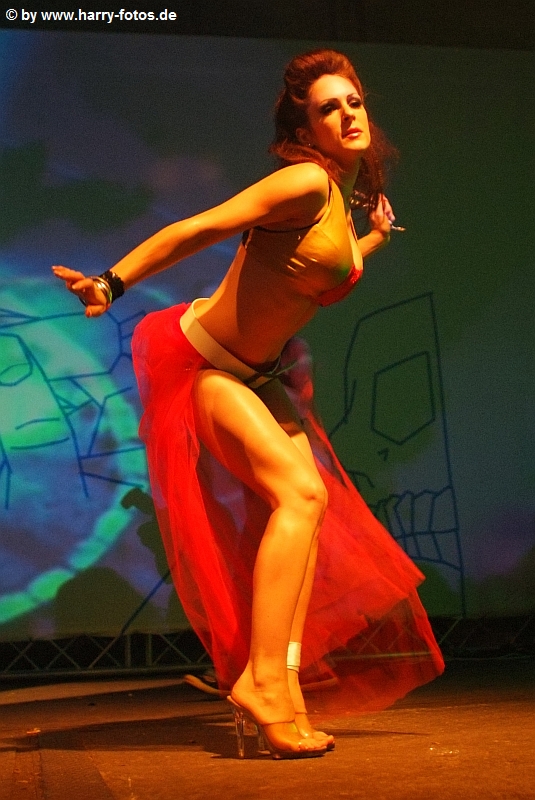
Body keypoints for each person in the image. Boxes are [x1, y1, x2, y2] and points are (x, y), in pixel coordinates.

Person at [53, 49, 444, 759]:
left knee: (308, 508)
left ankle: (281, 684)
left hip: (257, 373)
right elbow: (198, 228)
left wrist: (373, 239)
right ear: (306, 130)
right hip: (204, 365)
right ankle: (262, 683)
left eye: (353, 101)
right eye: (328, 109)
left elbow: (324, 266)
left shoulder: (338, 199)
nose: (347, 115)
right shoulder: (304, 182)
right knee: (299, 496)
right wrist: (111, 283)